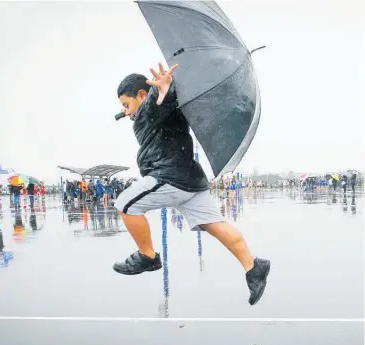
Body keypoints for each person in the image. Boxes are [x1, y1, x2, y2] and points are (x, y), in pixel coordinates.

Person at [113, 63, 270, 305]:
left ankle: (148, 255)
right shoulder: (164, 112)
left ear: (142, 95)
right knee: (216, 226)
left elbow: (159, 100)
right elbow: (160, 106)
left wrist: (163, 88)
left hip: (171, 178)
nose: (126, 110)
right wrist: (146, 103)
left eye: (126, 104)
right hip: (192, 182)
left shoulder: (151, 107)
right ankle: (253, 267)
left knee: (125, 204)